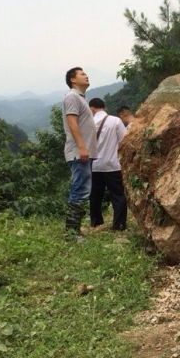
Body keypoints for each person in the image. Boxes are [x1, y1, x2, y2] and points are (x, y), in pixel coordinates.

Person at [62, 67, 97, 239]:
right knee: (80, 189)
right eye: (82, 74)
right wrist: (82, 147)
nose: (86, 75)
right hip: (79, 152)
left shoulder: (81, 98)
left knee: (82, 189)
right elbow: (72, 123)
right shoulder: (72, 96)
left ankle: (74, 229)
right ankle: (71, 233)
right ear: (73, 80)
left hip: (83, 152)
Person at [89, 98, 128, 230]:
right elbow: (125, 140)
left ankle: (96, 222)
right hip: (112, 165)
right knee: (117, 195)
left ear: (92, 109)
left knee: (95, 195)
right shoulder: (115, 121)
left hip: (94, 166)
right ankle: (119, 225)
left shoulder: (88, 123)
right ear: (104, 107)